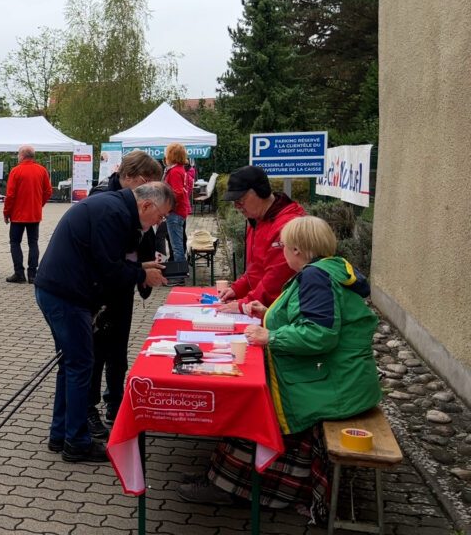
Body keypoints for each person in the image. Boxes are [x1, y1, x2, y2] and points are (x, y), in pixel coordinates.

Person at [178, 216, 380, 522]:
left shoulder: (315, 277)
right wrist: (270, 313)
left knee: (251, 407)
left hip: (334, 387)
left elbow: (321, 334)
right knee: (253, 397)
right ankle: (221, 477)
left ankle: (233, 486)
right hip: (339, 379)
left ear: (298, 249)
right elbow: (310, 319)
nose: (282, 251)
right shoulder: (326, 271)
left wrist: (270, 335)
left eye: (284, 246)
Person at [35, 182, 171, 462]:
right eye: (160, 216)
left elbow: (107, 260)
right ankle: (76, 442)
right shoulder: (115, 214)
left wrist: (140, 268)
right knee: (81, 364)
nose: (159, 223)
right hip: (66, 294)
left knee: (70, 364)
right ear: (146, 205)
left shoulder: (115, 207)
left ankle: (61, 434)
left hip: (61, 289)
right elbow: (108, 268)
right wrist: (141, 276)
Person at [85, 151, 165, 438]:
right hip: (100, 288)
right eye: (150, 182)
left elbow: (147, 235)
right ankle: (89, 409)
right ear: (133, 177)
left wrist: (149, 264)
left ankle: (115, 402)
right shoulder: (102, 198)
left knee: (118, 350)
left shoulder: (141, 201)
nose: (153, 191)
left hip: (124, 283)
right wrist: (139, 271)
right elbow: (103, 255)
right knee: (95, 352)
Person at [217, 165, 306, 313]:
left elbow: (276, 279)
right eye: (234, 202)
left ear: (260, 191)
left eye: (240, 200)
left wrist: (244, 305)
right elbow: (256, 267)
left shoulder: (286, 226)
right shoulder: (258, 219)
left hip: (282, 311)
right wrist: (237, 288)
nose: (237, 206)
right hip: (267, 308)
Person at [3, 145, 52, 284]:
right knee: (33, 243)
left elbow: (10, 195)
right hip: (34, 214)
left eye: (18, 154)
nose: (18, 156)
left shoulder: (16, 171)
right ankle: (32, 274)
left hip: (18, 215)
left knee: (15, 243)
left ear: (23, 155)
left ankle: (19, 274)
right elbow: (48, 191)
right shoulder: (42, 170)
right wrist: (39, 204)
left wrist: (6, 212)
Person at [162, 143, 192, 264]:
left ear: (171, 155)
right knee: (177, 243)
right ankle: (180, 271)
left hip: (174, 212)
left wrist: (166, 208)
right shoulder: (180, 169)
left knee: (176, 246)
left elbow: (177, 193)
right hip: (180, 211)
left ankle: (179, 274)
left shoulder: (174, 171)